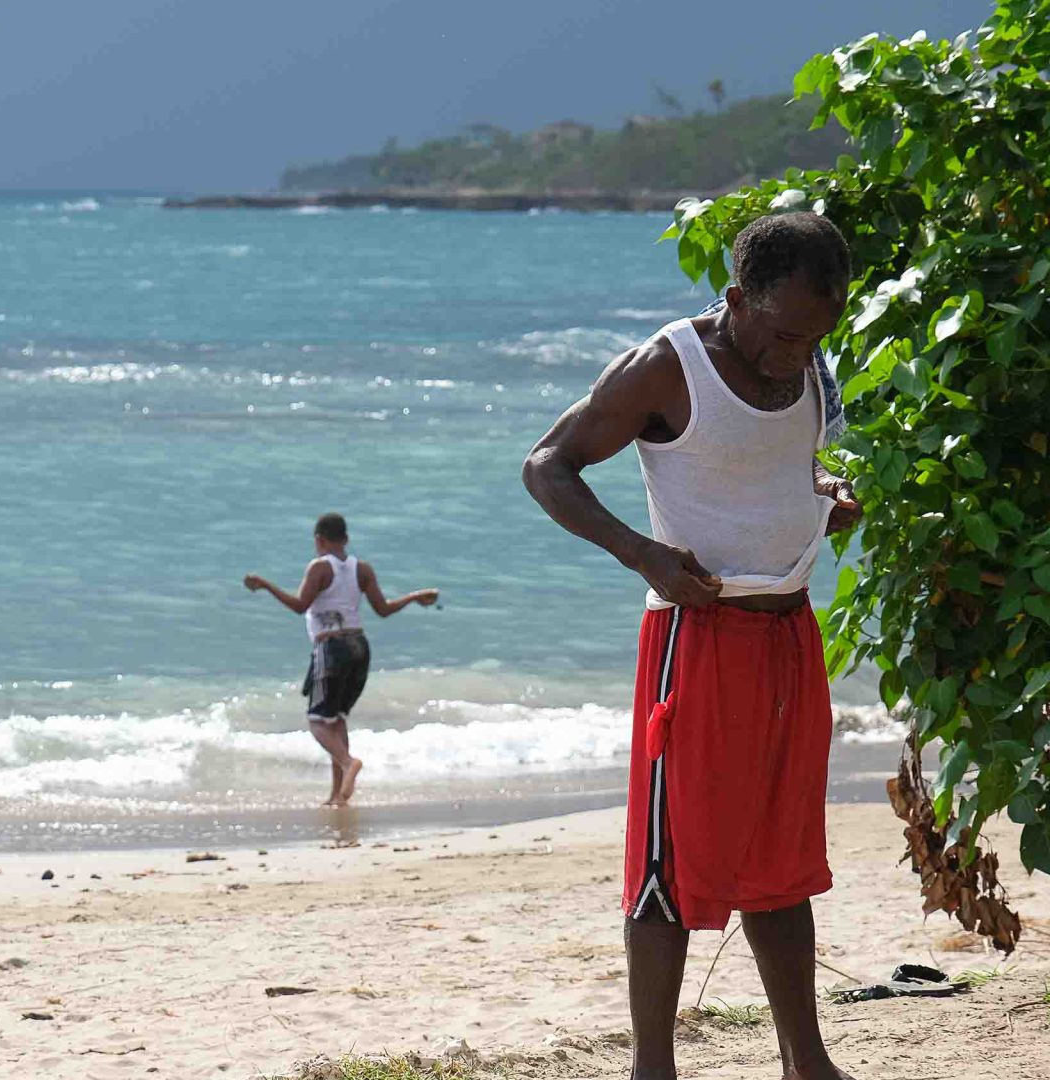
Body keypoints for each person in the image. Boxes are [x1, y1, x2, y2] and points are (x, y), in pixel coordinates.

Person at [521, 211, 861, 1080]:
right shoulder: (668, 366)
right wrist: (641, 552)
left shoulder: (808, 352)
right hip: (695, 640)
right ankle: (653, 1069)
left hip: (789, 634)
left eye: (817, 335)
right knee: (671, 866)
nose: (800, 354)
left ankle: (806, 1063)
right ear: (740, 298)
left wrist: (824, 493)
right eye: (785, 334)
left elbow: (777, 463)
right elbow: (548, 465)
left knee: (783, 862)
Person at [243, 512, 439, 807]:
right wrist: (414, 596)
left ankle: (349, 763)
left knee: (317, 721)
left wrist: (265, 585)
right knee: (336, 720)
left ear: (319, 540)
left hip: (331, 646)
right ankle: (337, 796)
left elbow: (300, 606)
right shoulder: (362, 568)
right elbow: (383, 609)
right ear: (345, 539)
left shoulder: (320, 567)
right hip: (359, 646)